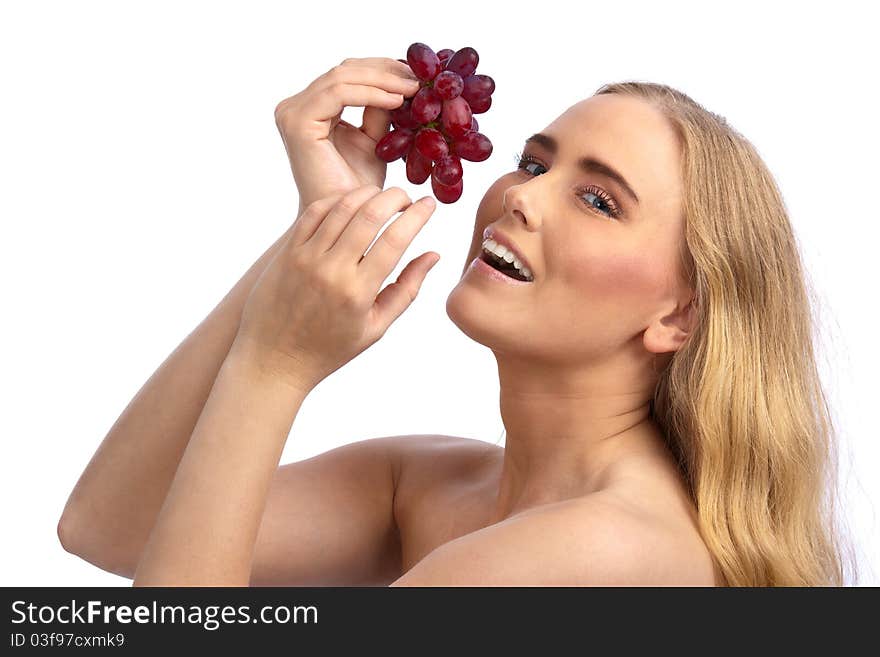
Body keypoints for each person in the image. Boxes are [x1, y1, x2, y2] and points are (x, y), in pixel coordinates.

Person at [57, 57, 853, 587]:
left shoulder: (607, 550)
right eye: (536, 162)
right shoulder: (430, 482)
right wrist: (326, 223)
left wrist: (275, 366)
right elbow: (112, 523)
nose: (521, 195)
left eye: (598, 199)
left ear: (678, 315)